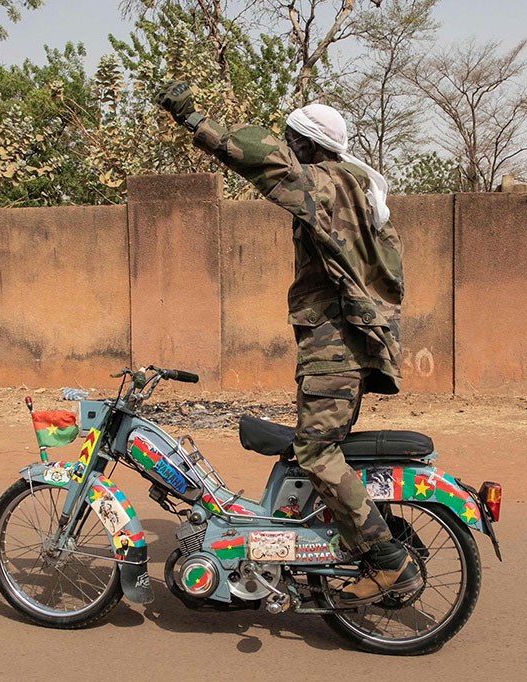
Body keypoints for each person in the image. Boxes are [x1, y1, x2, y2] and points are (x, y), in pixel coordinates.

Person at [155, 81, 420, 604]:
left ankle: (388, 560)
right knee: (314, 449)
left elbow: (262, 160)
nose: (289, 148)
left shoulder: (324, 183)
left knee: (317, 452)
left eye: (295, 140)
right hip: (351, 340)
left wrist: (193, 121)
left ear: (313, 146)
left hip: (335, 345)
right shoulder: (359, 187)